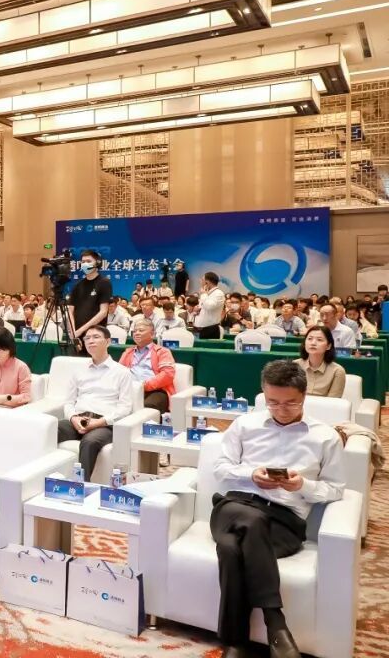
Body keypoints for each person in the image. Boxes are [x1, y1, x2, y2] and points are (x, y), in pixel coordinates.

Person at [211, 360, 344, 658]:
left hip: (284, 523)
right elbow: (220, 468)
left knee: (231, 550)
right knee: (250, 519)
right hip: (235, 507)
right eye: (273, 402)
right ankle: (276, 624)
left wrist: (303, 486)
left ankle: (236, 643)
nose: (281, 410)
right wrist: (250, 475)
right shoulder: (245, 424)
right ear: (263, 393)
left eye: (290, 403)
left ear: (304, 396)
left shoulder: (325, 436)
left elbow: (335, 489)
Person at [56, 325, 134, 480]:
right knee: (49, 429)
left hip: (104, 424)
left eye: (96, 337)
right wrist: (73, 418)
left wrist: (99, 422)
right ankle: (41, 478)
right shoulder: (78, 370)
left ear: (108, 342)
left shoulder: (122, 372)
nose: (90, 341)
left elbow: (125, 407)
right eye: (87, 338)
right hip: (78, 419)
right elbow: (69, 402)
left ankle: (80, 485)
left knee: (89, 442)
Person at [118, 318, 176, 414]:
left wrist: (143, 386)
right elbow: (118, 372)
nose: (136, 333)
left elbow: (168, 375)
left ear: (152, 334)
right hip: (129, 390)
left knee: (149, 408)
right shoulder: (128, 352)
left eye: (141, 330)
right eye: (135, 331)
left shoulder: (162, 351)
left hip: (155, 390)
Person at [68, 249, 113, 354]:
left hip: (95, 334)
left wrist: (81, 330)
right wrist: (73, 333)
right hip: (77, 337)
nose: (85, 264)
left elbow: (103, 312)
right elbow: (70, 311)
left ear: (97, 263)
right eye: (83, 262)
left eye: (88, 261)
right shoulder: (77, 285)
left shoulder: (104, 283)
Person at [0, 327, 32, 407]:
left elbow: (26, 397)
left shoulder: (21, 367)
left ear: (9, 348)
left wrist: (6, 398)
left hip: (9, 410)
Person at [294, 326, 346, 398]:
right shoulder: (294, 366)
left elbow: (333, 402)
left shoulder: (337, 371)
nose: (313, 343)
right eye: (310, 339)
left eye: (319, 340)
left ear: (328, 346)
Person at [192, 271, 227, 339]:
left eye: (202, 279)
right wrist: (198, 310)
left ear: (207, 282)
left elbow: (209, 306)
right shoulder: (207, 293)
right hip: (199, 330)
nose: (200, 282)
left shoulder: (218, 293)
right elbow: (205, 308)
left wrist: (203, 294)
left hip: (211, 330)